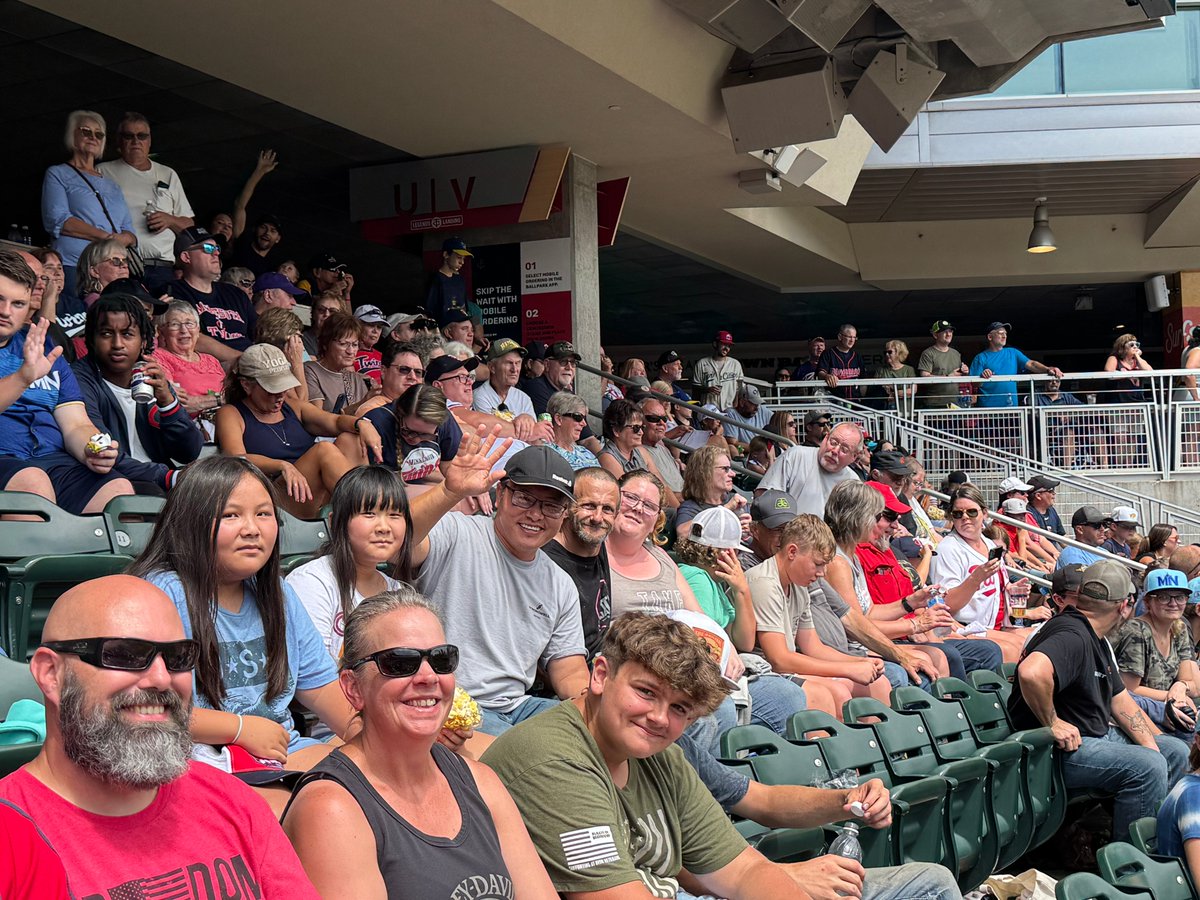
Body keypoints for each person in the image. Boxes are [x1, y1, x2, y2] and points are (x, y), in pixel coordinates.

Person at [0, 575, 319, 897]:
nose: (161, 678)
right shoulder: (10, 836)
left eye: (178, 657)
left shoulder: (233, 801)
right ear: (51, 674)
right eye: (124, 654)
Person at [482, 612, 812, 900]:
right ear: (600, 675)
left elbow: (744, 871)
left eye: (679, 707)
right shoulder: (553, 761)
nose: (659, 717)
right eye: (646, 692)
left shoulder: (662, 757)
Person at [281, 588, 558, 899]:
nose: (428, 676)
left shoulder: (481, 783)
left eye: (441, 659)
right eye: (400, 663)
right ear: (353, 687)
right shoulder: (332, 809)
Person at [127, 457, 356, 784]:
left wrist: (377, 742)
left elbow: (322, 689)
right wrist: (239, 728)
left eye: (263, 514)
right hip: (194, 763)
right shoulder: (164, 594)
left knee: (376, 774)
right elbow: (148, 710)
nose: (252, 529)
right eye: (231, 515)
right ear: (190, 521)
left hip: (279, 753)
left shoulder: (277, 592)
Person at [411, 439, 591, 735]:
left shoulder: (560, 584)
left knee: (599, 733)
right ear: (500, 496)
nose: (536, 514)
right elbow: (399, 541)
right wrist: (448, 492)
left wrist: (595, 708)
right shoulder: (457, 532)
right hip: (452, 701)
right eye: (524, 498)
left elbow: (569, 669)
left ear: (564, 516)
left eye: (551, 506)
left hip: (520, 707)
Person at [1009, 559, 1188, 839]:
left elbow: (1121, 702)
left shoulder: (1096, 637)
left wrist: (1153, 747)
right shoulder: (1072, 633)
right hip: (1049, 751)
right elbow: (1031, 672)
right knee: (1148, 766)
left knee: (1173, 750)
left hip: (1091, 740)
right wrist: (1053, 722)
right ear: (1124, 605)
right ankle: (1132, 865)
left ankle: (1163, 838)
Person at [0, 249, 132, 514]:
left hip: (53, 460)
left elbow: (75, 423)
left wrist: (92, 449)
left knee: (119, 494)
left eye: (17, 304)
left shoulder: (41, 345)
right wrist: (23, 378)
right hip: (7, 459)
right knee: (33, 486)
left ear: (29, 306)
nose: (6, 312)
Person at [678, 506, 837, 723]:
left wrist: (742, 590)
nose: (739, 557)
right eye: (735, 551)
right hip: (708, 680)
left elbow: (744, 640)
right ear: (719, 552)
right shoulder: (697, 579)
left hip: (725, 674)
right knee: (802, 696)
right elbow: (707, 647)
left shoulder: (716, 584)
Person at [857, 482, 1006, 680]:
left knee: (991, 650)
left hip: (922, 629)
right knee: (950, 655)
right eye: (890, 516)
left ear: (984, 513)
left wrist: (923, 621)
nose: (896, 524)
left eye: (971, 512)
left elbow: (910, 602)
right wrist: (916, 625)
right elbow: (859, 620)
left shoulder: (888, 551)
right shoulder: (852, 555)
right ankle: (955, 707)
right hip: (893, 637)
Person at [215, 343, 381, 518]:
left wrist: (362, 424)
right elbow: (236, 458)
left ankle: (366, 507)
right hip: (273, 497)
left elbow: (335, 421)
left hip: (312, 489)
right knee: (323, 450)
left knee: (351, 438)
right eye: (272, 389)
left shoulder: (292, 407)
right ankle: (369, 511)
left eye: (283, 387)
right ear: (247, 385)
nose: (280, 395)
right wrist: (281, 465)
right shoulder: (231, 413)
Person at [71, 293, 202, 493]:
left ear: (143, 341)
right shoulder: (79, 379)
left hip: (157, 478)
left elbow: (189, 452)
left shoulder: (149, 375)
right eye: (106, 333)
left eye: (127, 334)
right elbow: (102, 452)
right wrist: (168, 477)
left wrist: (168, 401)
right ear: (91, 339)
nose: (117, 344)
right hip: (108, 482)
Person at [286, 466, 412, 659]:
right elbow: (313, 674)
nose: (384, 527)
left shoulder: (400, 592)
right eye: (369, 514)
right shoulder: (312, 583)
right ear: (335, 521)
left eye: (395, 515)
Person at [41, 110, 136, 298]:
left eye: (98, 134)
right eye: (86, 132)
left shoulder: (112, 185)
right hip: (73, 265)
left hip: (111, 270)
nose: (93, 137)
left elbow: (130, 232)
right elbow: (58, 220)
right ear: (72, 135)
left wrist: (121, 239)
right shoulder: (58, 173)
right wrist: (106, 238)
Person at [928, 484, 1028, 662]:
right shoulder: (948, 548)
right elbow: (948, 604)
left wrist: (1011, 588)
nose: (965, 518)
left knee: (1032, 642)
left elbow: (993, 588)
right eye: (958, 514)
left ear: (985, 513)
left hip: (998, 623)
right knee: (1015, 650)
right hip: (966, 627)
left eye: (971, 512)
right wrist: (975, 579)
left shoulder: (989, 543)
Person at [97, 112, 195, 294]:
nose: (136, 141)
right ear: (119, 141)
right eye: (129, 136)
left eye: (142, 136)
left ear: (149, 141)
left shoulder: (168, 174)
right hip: (121, 264)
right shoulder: (103, 171)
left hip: (162, 267)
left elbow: (190, 227)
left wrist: (169, 220)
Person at [1115, 568, 1200, 739]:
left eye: (1180, 597)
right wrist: (1174, 698)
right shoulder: (1137, 631)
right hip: (1138, 714)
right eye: (1163, 597)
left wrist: (1181, 687)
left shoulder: (1179, 627)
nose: (1173, 603)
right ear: (1147, 602)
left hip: (1171, 709)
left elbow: (1192, 684)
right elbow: (1129, 689)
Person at [544, 467, 620, 660]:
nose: (597, 518)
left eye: (607, 509)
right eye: (589, 506)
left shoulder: (597, 543)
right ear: (568, 507)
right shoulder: (546, 562)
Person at [165, 226, 256, 364]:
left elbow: (259, 330)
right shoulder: (173, 292)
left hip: (251, 365)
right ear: (186, 257)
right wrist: (245, 360)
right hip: (212, 366)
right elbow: (193, 338)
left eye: (217, 248)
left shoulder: (236, 294)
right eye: (208, 248)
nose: (215, 253)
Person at [357, 383, 464, 484]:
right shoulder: (379, 422)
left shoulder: (445, 421)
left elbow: (448, 466)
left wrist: (464, 484)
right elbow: (366, 484)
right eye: (408, 431)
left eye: (425, 435)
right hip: (381, 487)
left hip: (416, 482)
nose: (416, 440)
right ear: (400, 413)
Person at [756, 421, 862, 515]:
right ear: (826, 438)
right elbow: (763, 496)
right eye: (833, 442)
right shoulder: (796, 456)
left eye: (844, 449)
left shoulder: (853, 483)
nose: (835, 450)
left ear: (854, 456)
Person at [151, 299, 225, 420]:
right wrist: (220, 399)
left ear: (198, 330)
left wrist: (202, 401)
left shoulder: (211, 360)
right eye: (175, 324)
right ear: (161, 331)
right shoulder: (158, 357)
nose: (184, 330)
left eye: (189, 323)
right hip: (190, 429)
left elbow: (231, 396)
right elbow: (177, 403)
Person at [524, 340, 601, 452]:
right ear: (547, 364)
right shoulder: (535, 387)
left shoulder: (569, 395)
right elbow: (554, 435)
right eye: (563, 362)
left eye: (573, 363)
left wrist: (604, 461)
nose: (569, 367)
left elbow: (587, 439)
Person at [969, 321, 1063, 408]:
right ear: (990, 337)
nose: (1004, 336)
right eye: (1000, 333)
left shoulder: (1013, 352)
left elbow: (1031, 364)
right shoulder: (980, 358)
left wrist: (1048, 369)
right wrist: (982, 376)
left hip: (1011, 408)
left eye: (1005, 334)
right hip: (988, 410)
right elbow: (974, 384)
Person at [472, 337, 547, 441]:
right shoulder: (479, 396)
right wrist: (520, 423)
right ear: (492, 367)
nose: (514, 369)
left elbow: (535, 437)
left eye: (518, 363)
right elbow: (492, 433)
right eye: (509, 363)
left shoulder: (523, 398)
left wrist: (527, 418)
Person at [303, 310, 376, 415]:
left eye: (355, 345)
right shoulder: (310, 370)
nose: (350, 351)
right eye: (343, 344)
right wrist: (364, 401)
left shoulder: (363, 380)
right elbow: (317, 420)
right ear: (325, 343)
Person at [676, 444, 747, 538]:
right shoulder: (691, 507)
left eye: (730, 469)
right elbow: (682, 533)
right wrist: (726, 509)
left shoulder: (734, 500)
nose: (733, 474)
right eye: (725, 469)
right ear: (704, 472)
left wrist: (750, 532)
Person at [917, 320, 969, 409]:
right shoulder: (928, 353)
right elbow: (924, 377)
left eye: (950, 331)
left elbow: (958, 375)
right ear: (935, 335)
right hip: (934, 404)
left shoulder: (956, 353)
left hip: (955, 403)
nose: (948, 334)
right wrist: (948, 377)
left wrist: (965, 371)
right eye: (944, 332)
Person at [546, 389, 602, 470]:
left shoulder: (585, 453)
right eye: (578, 417)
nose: (584, 424)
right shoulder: (544, 452)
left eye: (584, 418)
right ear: (559, 419)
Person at [693, 329, 744, 410]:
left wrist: (736, 407)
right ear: (715, 344)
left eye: (729, 346)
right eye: (724, 344)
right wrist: (708, 389)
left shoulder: (735, 364)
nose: (726, 348)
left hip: (729, 410)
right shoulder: (702, 363)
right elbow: (695, 388)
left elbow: (740, 388)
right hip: (709, 411)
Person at [425, 237, 472, 322]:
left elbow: (464, 308)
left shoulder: (460, 280)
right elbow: (429, 311)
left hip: (460, 330)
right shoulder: (435, 280)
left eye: (463, 258)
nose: (462, 262)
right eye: (459, 257)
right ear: (446, 254)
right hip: (442, 330)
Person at [1056, 505, 1112, 569]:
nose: (1102, 529)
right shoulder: (1072, 554)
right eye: (1097, 525)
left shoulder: (1104, 552)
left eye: (1104, 525)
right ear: (1080, 529)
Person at [818, 324, 864, 400]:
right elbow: (820, 373)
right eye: (849, 337)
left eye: (854, 337)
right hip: (834, 403)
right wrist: (827, 376)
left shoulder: (857, 356)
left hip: (855, 402)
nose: (852, 340)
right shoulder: (828, 354)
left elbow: (863, 379)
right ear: (840, 337)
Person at [722, 383, 770, 453]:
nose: (757, 407)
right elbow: (733, 443)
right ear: (742, 402)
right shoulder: (730, 414)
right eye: (753, 403)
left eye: (758, 404)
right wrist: (760, 451)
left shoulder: (762, 410)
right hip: (744, 457)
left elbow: (778, 422)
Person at [1105, 333, 1153, 403]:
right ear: (1122, 347)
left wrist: (1137, 356)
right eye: (1131, 345)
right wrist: (1129, 374)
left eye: (1137, 344)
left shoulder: (1138, 361)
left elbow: (1150, 372)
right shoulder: (1114, 358)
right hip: (1118, 401)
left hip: (1138, 401)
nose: (1135, 347)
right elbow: (1109, 373)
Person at [301, 290, 347, 357]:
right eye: (321, 310)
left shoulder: (347, 338)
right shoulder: (304, 339)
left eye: (332, 311)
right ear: (313, 314)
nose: (326, 314)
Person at [876, 340, 916, 409]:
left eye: (890, 352)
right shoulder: (880, 370)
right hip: (885, 409)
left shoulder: (909, 369)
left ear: (898, 353)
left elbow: (912, 390)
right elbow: (876, 389)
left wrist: (893, 394)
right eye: (885, 352)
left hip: (904, 408)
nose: (887, 354)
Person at [354, 303, 388, 383]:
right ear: (357, 325)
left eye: (379, 327)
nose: (375, 331)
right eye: (371, 325)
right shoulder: (348, 353)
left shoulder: (381, 356)